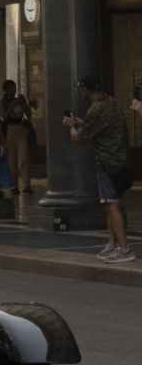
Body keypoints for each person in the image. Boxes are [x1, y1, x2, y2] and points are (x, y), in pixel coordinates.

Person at [64, 72, 133, 263]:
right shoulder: (112, 102)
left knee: (111, 205)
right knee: (110, 205)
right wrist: (82, 123)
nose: (81, 92)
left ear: (86, 89)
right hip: (120, 161)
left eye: (82, 89)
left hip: (106, 163)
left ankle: (125, 249)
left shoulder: (95, 110)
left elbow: (79, 138)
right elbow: (103, 127)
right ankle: (111, 246)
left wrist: (71, 125)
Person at [0, 80, 32, 195]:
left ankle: (27, 185)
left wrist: (24, 103)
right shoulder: (3, 101)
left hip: (21, 129)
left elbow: (28, 114)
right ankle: (13, 185)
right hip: (10, 130)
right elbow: (5, 116)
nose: (13, 91)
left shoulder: (19, 100)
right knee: (12, 159)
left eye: (14, 88)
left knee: (24, 157)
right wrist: (13, 105)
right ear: (5, 90)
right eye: (11, 88)